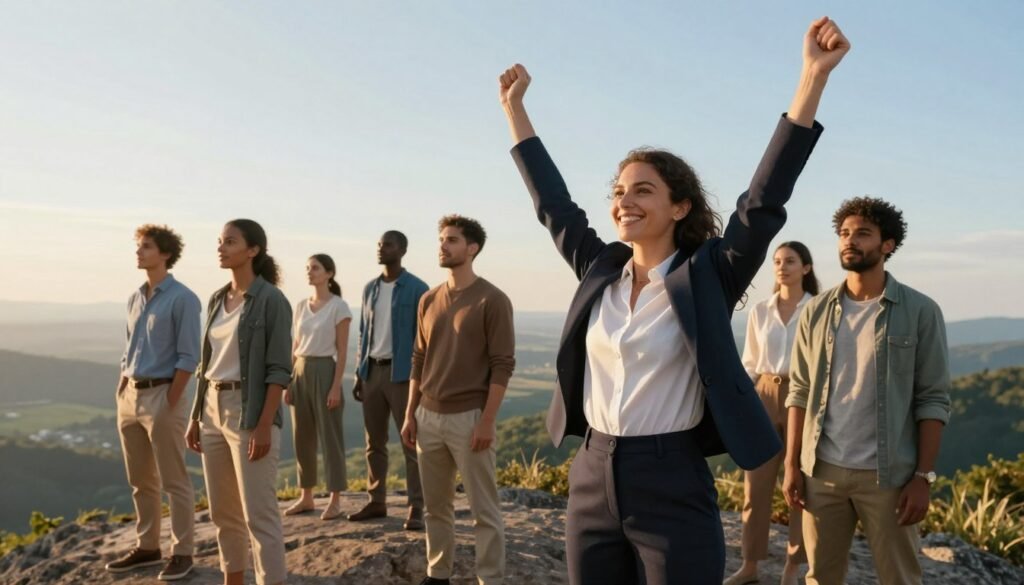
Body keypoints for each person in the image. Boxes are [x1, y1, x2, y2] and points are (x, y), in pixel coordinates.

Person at [500, 16, 849, 585]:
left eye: (643, 190)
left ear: (680, 207)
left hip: (672, 479)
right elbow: (554, 207)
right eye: (619, 191)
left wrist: (812, 77)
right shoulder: (600, 269)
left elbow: (762, 203)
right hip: (591, 474)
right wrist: (515, 110)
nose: (625, 201)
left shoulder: (708, 274)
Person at [783, 197, 951, 585]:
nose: (849, 240)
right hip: (822, 472)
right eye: (844, 233)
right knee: (820, 578)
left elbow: (933, 398)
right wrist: (792, 465)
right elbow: (800, 391)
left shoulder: (920, 311)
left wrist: (923, 477)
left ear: (887, 244)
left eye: (862, 233)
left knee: (900, 578)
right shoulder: (815, 311)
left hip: (889, 477)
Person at [400, 215, 515, 585]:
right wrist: (410, 413)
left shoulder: (492, 300)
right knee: (435, 508)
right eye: (441, 239)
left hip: (470, 418)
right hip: (427, 415)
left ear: (472, 248)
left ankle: (490, 578)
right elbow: (418, 359)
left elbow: (502, 365)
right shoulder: (428, 299)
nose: (443, 246)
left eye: (452, 240)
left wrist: (487, 421)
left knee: (484, 510)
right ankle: (438, 574)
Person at [186, 219, 290, 585]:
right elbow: (207, 364)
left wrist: (263, 424)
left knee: (259, 514)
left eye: (230, 241)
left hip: (249, 411)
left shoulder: (272, 300)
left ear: (253, 250)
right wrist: (195, 416)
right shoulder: (217, 298)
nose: (221, 247)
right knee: (223, 513)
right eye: (220, 241)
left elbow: (280, 370)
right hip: (211, 410)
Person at [106, 224, 200, 581]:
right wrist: (122, 386)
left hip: (162, 396)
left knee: (174, 481)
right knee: (140, 480)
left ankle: (182, 552)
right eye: (139, 246)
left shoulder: (183, 298)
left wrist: (171, 400)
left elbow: (189, 356)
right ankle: (147, 547)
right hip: (130, 396)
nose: (139, 252)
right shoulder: (135, 297)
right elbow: (129, 346)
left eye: (146, 246)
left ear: (165, 254)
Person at [727, 242, 819, 585]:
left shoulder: (818, 309)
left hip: (803, 396)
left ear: (806, 268)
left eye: (790, 261)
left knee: (800, 486)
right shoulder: (760, 311)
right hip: (764, 393)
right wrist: (742, 402)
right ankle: (750, 566)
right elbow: (750, 362)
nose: (782, 266)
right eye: (777, 261)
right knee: (755, 485)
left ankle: (793, 566)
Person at [349, 230, 429, 530]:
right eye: (379, 244)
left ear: (402, 250)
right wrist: (359, 373)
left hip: (403, 375)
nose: (381, 248)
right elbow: (363, 333)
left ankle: (417, 506)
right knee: (374, 442)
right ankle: (376, 500)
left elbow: (425, 338)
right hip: (372, 372)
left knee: (411, 442)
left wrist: (421, 380)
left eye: (388, 244)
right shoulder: (369, 289)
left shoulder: (418, 289)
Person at [282, 254, 353, 520]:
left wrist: (335, 387)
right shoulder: (301, 306)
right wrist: (288, 381)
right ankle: (306, 497)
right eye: (307, 268)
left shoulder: (339, 307)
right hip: (300, 370)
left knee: (330, 437)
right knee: (302, 436)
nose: (309, 272)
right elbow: (295, 345)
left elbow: (343, 351)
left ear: (329, 273)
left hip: (325, 370)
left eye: (315, 268)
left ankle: (335, 499)